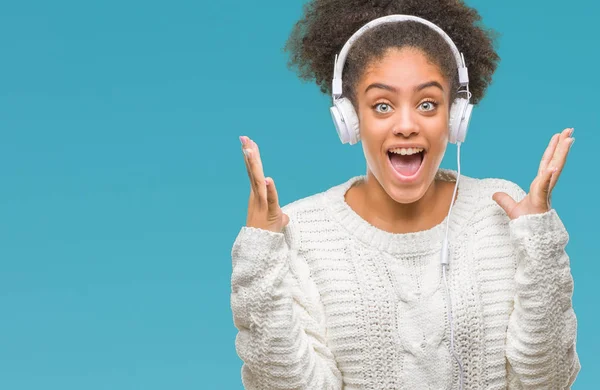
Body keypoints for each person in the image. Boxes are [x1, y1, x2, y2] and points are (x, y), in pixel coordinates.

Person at [230, 0, 580, 388]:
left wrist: (540, 244)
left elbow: (549, 382)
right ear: (350, 120)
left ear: (456, 116)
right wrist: (260, 256)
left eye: (427, 104)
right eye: (382, 105)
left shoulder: (503, 212)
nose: (407, 125)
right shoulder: (303, 233)